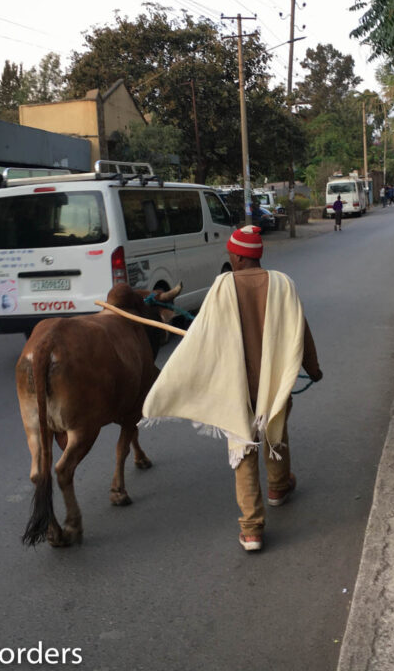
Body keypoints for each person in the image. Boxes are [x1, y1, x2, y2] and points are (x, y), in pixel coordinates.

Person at [141, 225, 323, 552]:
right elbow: (301, 330)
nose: (229, 258)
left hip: (237, 386)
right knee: (275, 432)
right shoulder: (283, 284)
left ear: (238, 257)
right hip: (274, 383)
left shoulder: (223, 286)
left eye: (230, 254)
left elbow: (205, 336)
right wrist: (314, 369)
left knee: (243, 449)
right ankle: (279, 488)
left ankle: (252, 529)